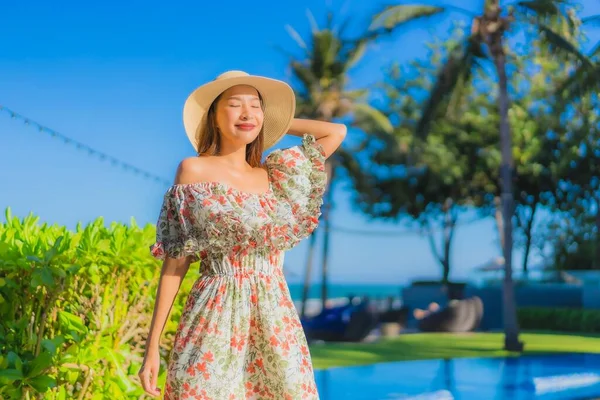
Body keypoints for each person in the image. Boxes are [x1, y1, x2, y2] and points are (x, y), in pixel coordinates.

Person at [138, 70, 346, 400]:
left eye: (256, 106)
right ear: (214, 117)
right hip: (214, 312)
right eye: (235, 105)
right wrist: (152, 348)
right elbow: (176, 262)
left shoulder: (276, 175)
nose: (247, 113)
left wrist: (276, 123)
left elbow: (336, 131)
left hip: (274, 315)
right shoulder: (193, 170)